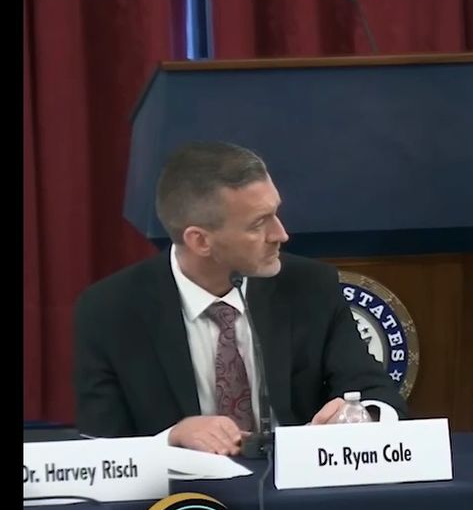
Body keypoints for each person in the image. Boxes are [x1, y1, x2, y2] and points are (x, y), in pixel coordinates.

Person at [73, 141, 408, 454]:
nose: (281, 234)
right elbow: (100, 452)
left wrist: (362, 418)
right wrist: (171, 438)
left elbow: (375, 392)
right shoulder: (110, 311)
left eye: (275, 213)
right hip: (177, 493)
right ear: (200, 241)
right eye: (258, 224)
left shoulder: (310, 286)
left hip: (295, 486)